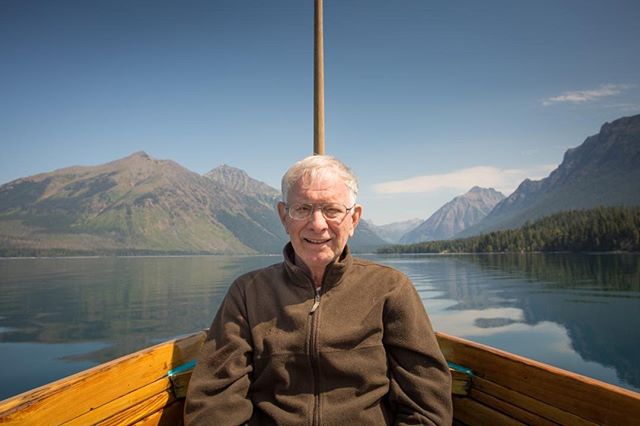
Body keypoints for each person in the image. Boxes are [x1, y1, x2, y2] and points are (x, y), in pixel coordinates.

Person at [185, 155, 453, 425]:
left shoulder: (391, 289)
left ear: (354, 219)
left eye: (332, 210)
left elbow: (426, 403)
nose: (317, 224)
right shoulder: (247, 293)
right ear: (283, 217)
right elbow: (214, 401)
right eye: (302, 208)